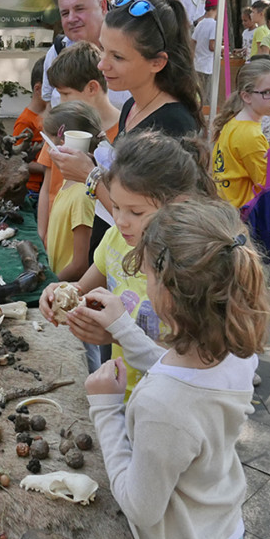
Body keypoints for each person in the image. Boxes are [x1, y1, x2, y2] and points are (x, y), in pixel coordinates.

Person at [80, 198, 270, 539]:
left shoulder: (163, 406)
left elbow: (140, 506)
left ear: (166, 292)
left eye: (148, 273)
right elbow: (178, 375)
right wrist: (122, 327)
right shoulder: (237, 351)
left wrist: (106, 409)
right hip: (224, 532)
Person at [39, 130, 216, 395]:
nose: (121, 220)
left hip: (169, 400)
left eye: (136, 212)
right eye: (117, 206)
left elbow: (196, 362)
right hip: (121, 394)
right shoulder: (115, 239)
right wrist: (60, 294)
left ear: (180, 204)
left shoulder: (191, 265)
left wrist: (116, 334)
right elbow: (81, 288)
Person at [48, 0, 202, 262]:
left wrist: (90, 177)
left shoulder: (172, 125)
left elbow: (154, 227)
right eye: (103, 49)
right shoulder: (132, 106)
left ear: (157, 62)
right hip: (111, 261)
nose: (102, 64)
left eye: (117, 57)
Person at [37, 42, 121, 255]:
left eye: (65, 94)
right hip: (55, 245)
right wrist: (42, 235)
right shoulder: (62, 127)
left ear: (92, 88)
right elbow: (48, 187)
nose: (60, 102)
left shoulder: (124, 133)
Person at [212, 57, 270, 208]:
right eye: (267, 92)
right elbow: (268, 187)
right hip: (242, 215)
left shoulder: (234, 121)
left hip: (226, 209)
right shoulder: (251, 135)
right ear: (246, 96)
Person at [41, 0, 131, 108]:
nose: (71, 19)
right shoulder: (57, 50)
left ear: (103, 7)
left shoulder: (129, 49)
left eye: (79, 9)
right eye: (65, 13)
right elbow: (48, 102)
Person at [42, 101, 101, 282]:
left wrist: (52, 286)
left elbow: (79, 265)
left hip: (66, 288)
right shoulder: (69, 181)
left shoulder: (82, 195)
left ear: (62, 143)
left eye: (49, 145)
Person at [11, 56, 47, 214]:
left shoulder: (47, 117)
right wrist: (48, 169)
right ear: (39, 89)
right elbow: (16, 160)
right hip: (31, 191)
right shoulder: (25, 122)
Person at [192, 0, 218, 107]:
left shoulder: (200, 23)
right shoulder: (214, 25)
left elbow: (192, 42)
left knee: (198, 95)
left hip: (197, 64)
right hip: (208, 67)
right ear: (217, 9)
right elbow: (212, 46)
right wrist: (222, 48)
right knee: (206, 97)